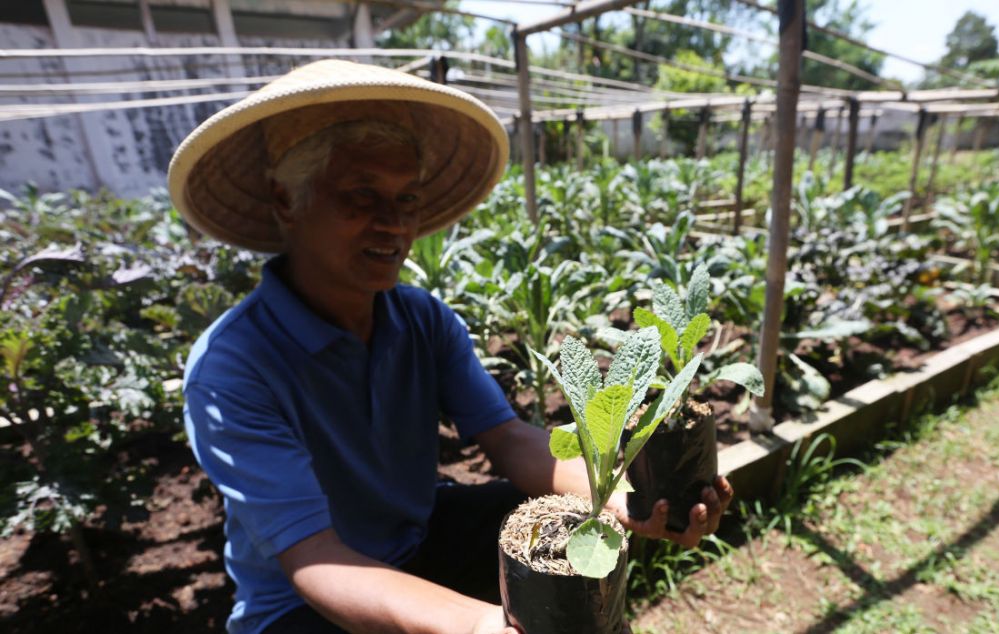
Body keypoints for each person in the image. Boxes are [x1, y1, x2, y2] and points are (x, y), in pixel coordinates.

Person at [169, 60, 733, 634]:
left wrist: (619, 495)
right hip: (302, 606)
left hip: (416, 537)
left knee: (557, 526)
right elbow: (317, 560)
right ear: (286, 200)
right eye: (362, 195)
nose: (394, 225)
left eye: (407, 199)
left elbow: (509, 438)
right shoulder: (232, 368)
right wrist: (483, 627)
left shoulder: (420, 319)